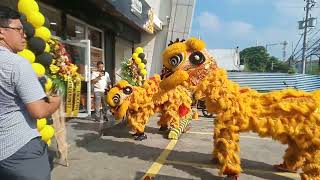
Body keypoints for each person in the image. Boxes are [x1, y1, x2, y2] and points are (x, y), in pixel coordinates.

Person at [0, 6, 61, 180]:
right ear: (1, 32)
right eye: (19, 29)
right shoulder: (16, 63)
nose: (24, 35)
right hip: (19, 149)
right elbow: (39, 111)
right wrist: (56, 100)